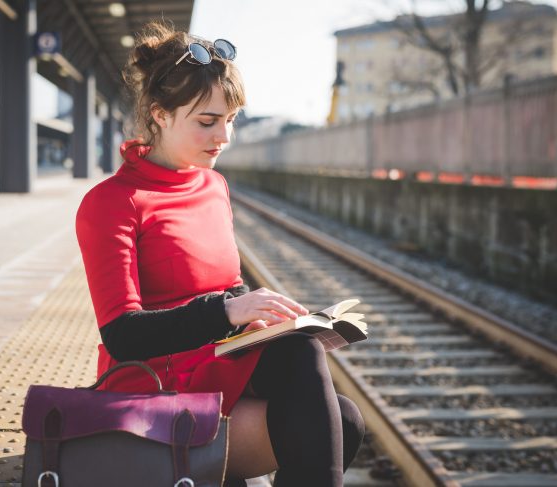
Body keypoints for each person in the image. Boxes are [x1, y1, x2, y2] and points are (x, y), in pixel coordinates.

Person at [75, 21, 365, 487]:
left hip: (212, 366)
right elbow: (122, 336)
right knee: (302, 360)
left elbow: (224, 286)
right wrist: (230, 310)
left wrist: (258, 314)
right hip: (151, 384)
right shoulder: (112, 203)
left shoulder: (213, 186)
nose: (224, 136)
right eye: (208, 122)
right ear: (160, 114)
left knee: (345, 420)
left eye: (230, 119)